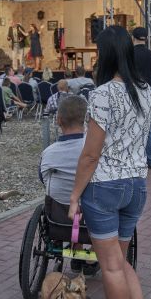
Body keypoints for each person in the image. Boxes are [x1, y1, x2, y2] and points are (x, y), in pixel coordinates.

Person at [68, 26, 151, 299]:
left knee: (112, 267)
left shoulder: (102, 94)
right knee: (122, 261)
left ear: (105, 55)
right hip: (137, 185)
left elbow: (91, 154)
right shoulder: (146, 90)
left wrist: (75, 195)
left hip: (104, 187)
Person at [40, 95, 98, 275]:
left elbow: (44, 181)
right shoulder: (95, 149)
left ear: (58, 121)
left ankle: (76, 248)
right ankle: (91, 256)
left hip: (59, 219)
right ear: (87, 119)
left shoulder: (48, 154)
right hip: (94, 221)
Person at [132, 27, 151, 169]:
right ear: (146, 38)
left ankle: (133, 159)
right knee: (148, 127)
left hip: (130, 92)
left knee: (129, 125)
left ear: (133, 37)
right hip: (146, 93)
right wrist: (150, 88)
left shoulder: (128, 55)